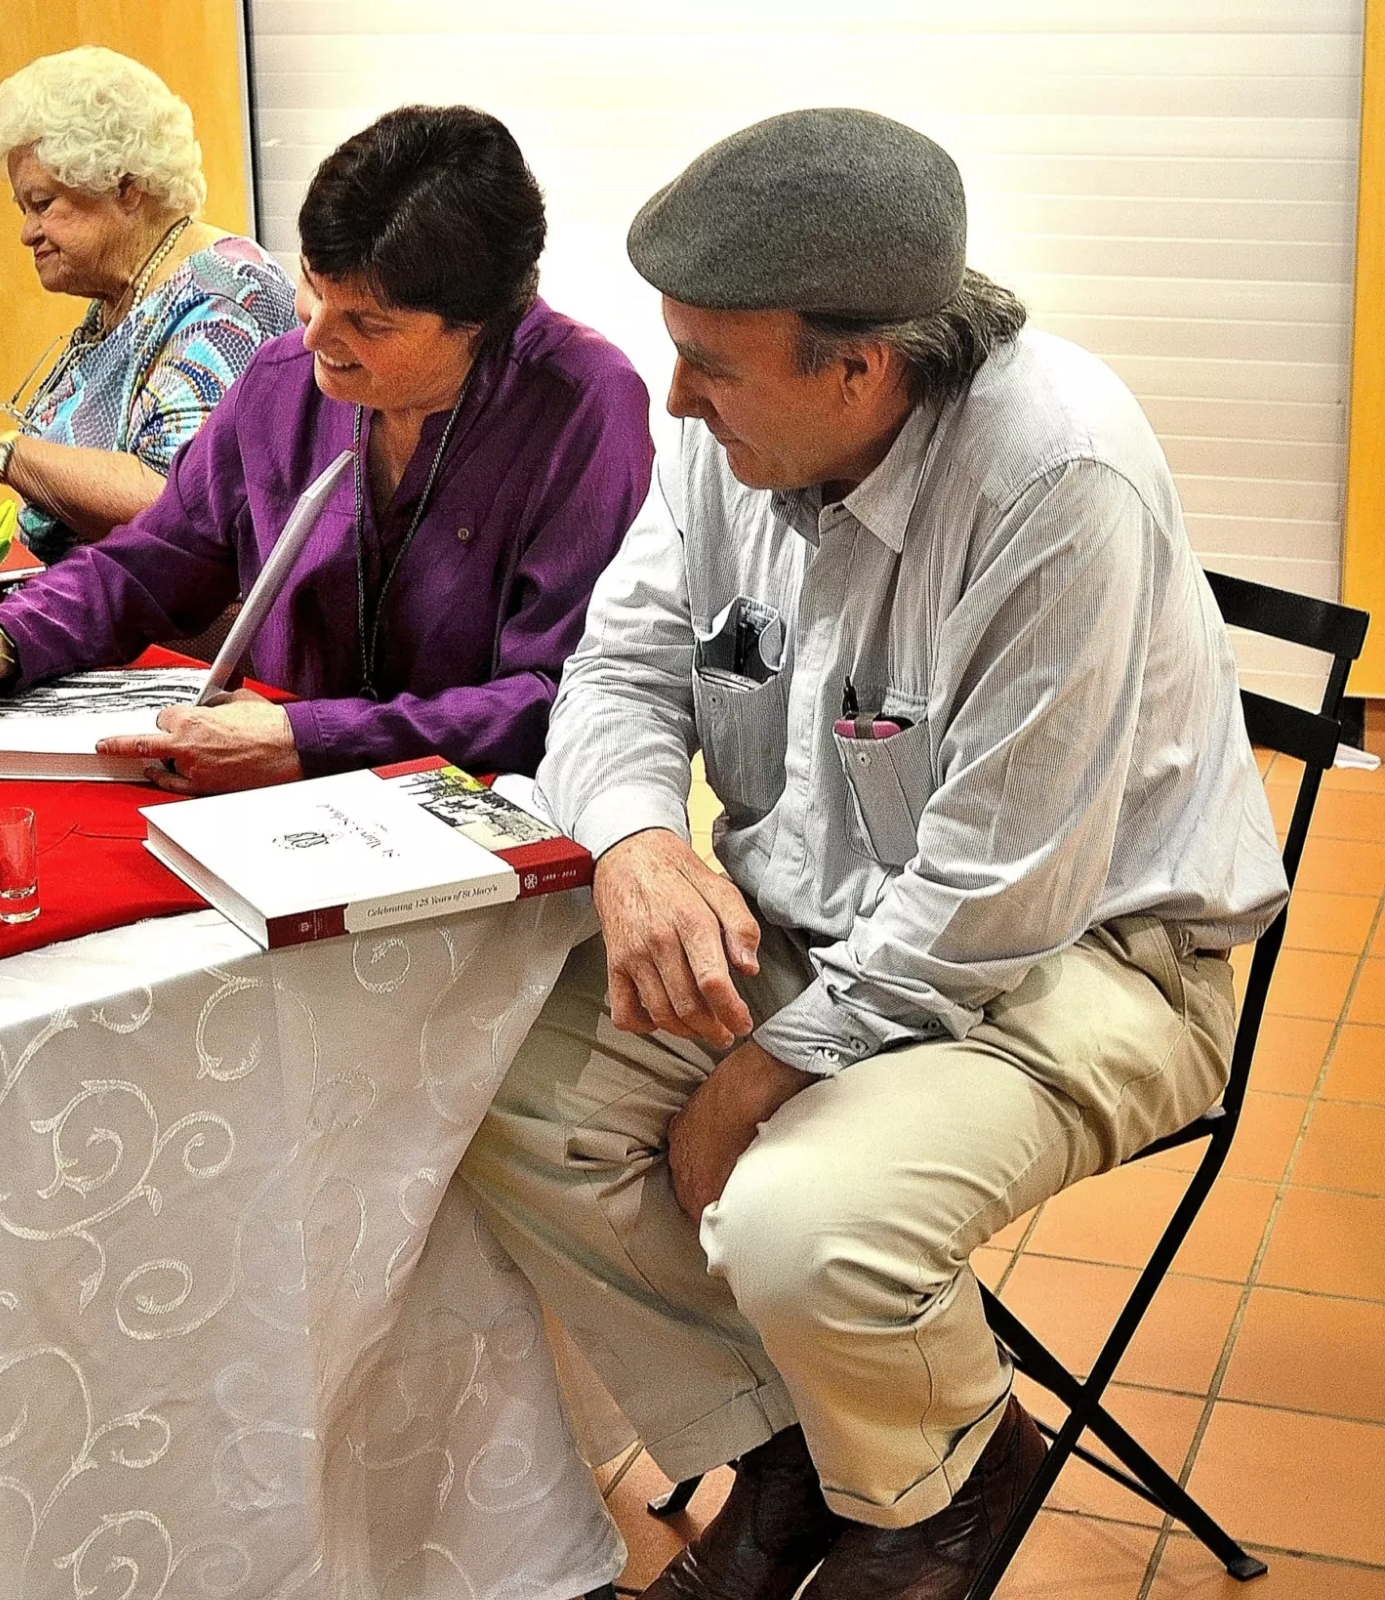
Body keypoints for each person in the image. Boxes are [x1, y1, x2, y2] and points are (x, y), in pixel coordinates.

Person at [459, 109, 1289, 1600]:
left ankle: (941, 1494)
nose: (673, 395)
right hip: (834, 928)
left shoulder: (1056, 477)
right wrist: (637, 840)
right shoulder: (729, 435)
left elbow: (998, 888)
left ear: (861, 366)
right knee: (499, 1100)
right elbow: (619, 674)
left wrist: (762, 1073)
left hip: (1086, 959)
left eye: (708, 362)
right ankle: (789, 1443)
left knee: (803, 1221)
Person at [0, 105, 654, 793]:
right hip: (282, 796)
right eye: (311, 287)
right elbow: (149, 565)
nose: (315, 336)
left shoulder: (584, 404)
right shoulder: (281, 379)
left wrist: (311, 738)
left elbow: (560, 695)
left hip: (490, 811)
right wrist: (6, 639)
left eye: (367, 322)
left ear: (480, 323)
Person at [0, 47, 297, 563]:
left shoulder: (223, 296)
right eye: (23, 209)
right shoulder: (124, 297)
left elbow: (171, 504)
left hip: (177, 612)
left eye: (43, 204)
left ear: (126, 188)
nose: (28, 232)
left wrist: (3, 453)